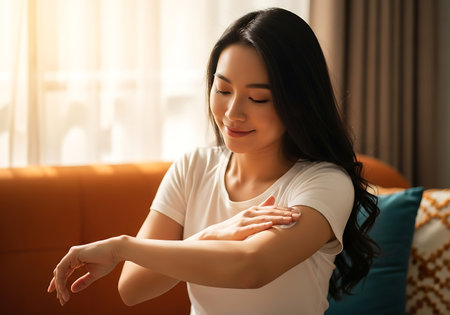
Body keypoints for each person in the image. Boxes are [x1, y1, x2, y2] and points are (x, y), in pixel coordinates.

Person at [48, 7, 379, 314]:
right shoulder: (193, 168)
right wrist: (212, 235)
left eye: (257, 98)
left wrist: (122, 247)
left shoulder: (324, 183)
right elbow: (133, 287)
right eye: (223, 90)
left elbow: (252, 267)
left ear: (298, 102)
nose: (233, 113)